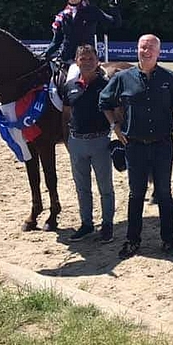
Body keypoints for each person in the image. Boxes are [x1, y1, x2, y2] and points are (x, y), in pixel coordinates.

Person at [99, 34, 173, 259]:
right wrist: (115, 126)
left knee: (164, 193)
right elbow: (104, 102)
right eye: (142, 47)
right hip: (134, 145)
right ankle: (132, 240)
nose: (145, 51)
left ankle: (168, 240)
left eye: (150, 48)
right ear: (137, 49)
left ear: (158, 52)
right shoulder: (122, 78)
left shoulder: (170, 78)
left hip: (163, 145)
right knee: (136, 194)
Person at [60, 45, 115, 244]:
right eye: (83, 58)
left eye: (91, 58)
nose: (87, 62)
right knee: (82, 187)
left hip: (100, 141)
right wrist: (67, 141)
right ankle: (87, 224)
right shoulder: (70, 86)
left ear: (97, 61)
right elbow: (66, 115)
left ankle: (107, 225)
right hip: (77, 142)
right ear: (76, 62)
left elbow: (116, 112)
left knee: (105, 187)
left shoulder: (106, 85)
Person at [44, 0, 122, 80]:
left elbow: (114, 23)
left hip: (86, 60)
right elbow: (56, 42)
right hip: (66, 59)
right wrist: (44, 55)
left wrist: (114, 7)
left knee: (72, 78)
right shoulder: (62, 15)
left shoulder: (92, 11)